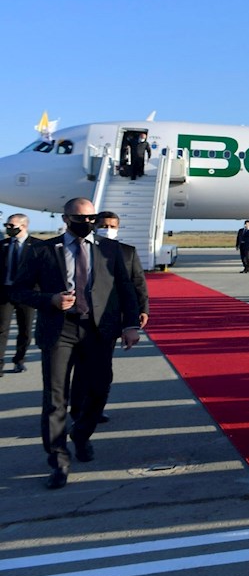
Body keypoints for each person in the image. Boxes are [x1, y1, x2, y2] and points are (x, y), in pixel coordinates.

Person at [12, 198, 140, 488]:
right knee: (56, 398)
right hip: (60, 330)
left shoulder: (110, 249)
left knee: (98, 390)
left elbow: (125, 288)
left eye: (92, 217)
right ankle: (58, 460)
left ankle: (81, 434)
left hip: (98, 330)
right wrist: (50, 300)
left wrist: (130, 324)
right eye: (81, 218)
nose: (88, 223)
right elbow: (19, 291)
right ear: (66, 218)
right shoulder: (42, 250)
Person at [71, 210, 150, 427]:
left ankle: (96, 407)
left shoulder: (126, 251)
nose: (108, 229)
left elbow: (137, 284)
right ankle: (78, 409)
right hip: (80, 319)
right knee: (81, 368)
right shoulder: (79, 248)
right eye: (104, 225)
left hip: (108, 319)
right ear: (94, 226)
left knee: (103, 369)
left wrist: (141, 310)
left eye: (112, 226)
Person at [1, 213, 39, 375]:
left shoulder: (38, 246)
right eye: (7, 226)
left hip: (27, 294)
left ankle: (19, 360)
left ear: (24, 226)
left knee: (25, 329)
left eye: (12, 226)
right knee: (1, 329)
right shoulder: (2, 245)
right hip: (5, 292)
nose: (8, 229)